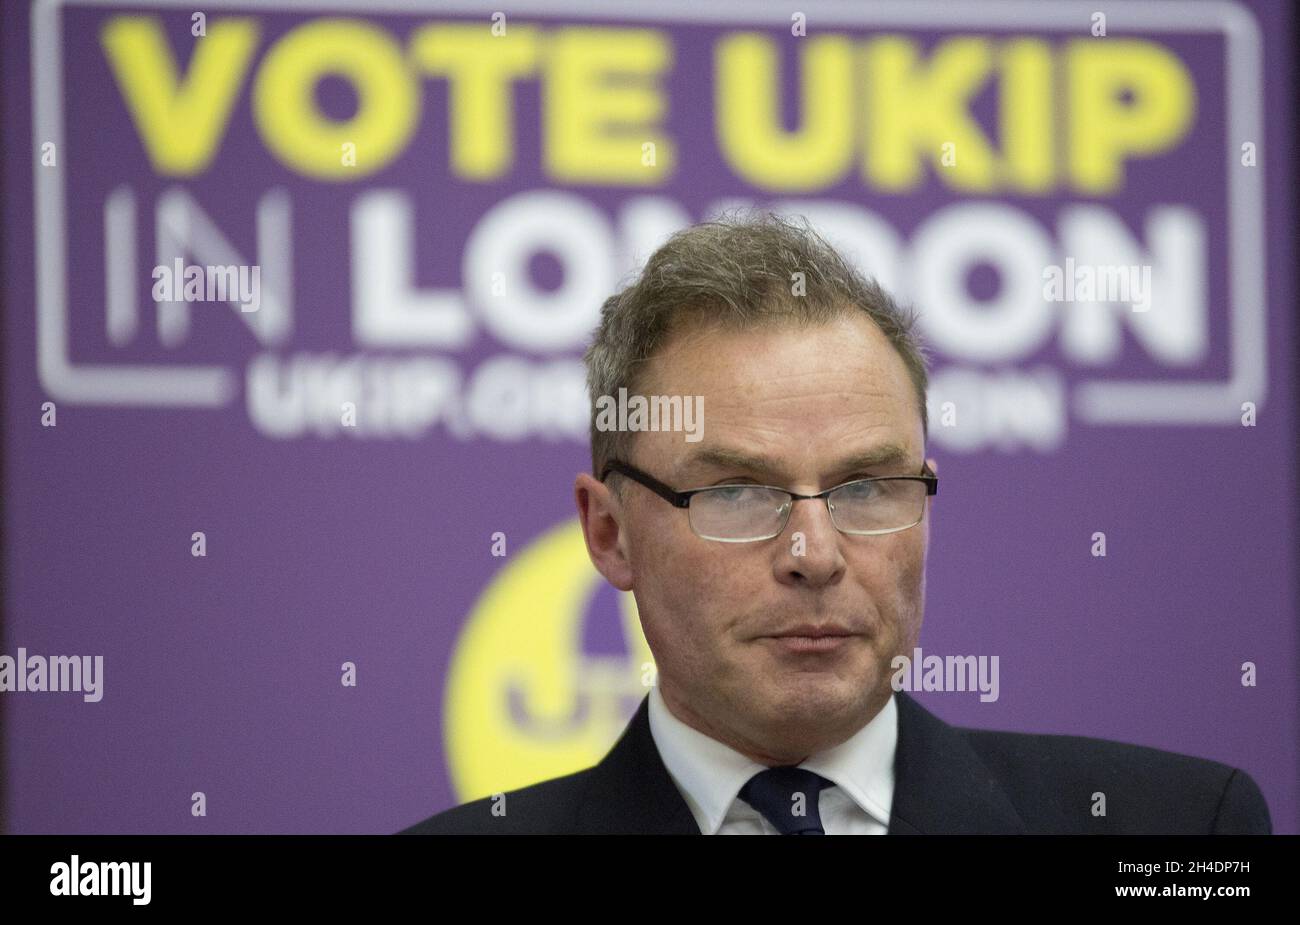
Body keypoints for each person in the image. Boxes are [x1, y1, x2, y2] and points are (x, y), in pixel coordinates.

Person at [400, 212, 1271, 835]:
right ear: (610, 533)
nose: (814, 555)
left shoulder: (1184, 828)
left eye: (864, 486)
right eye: (738, 492)